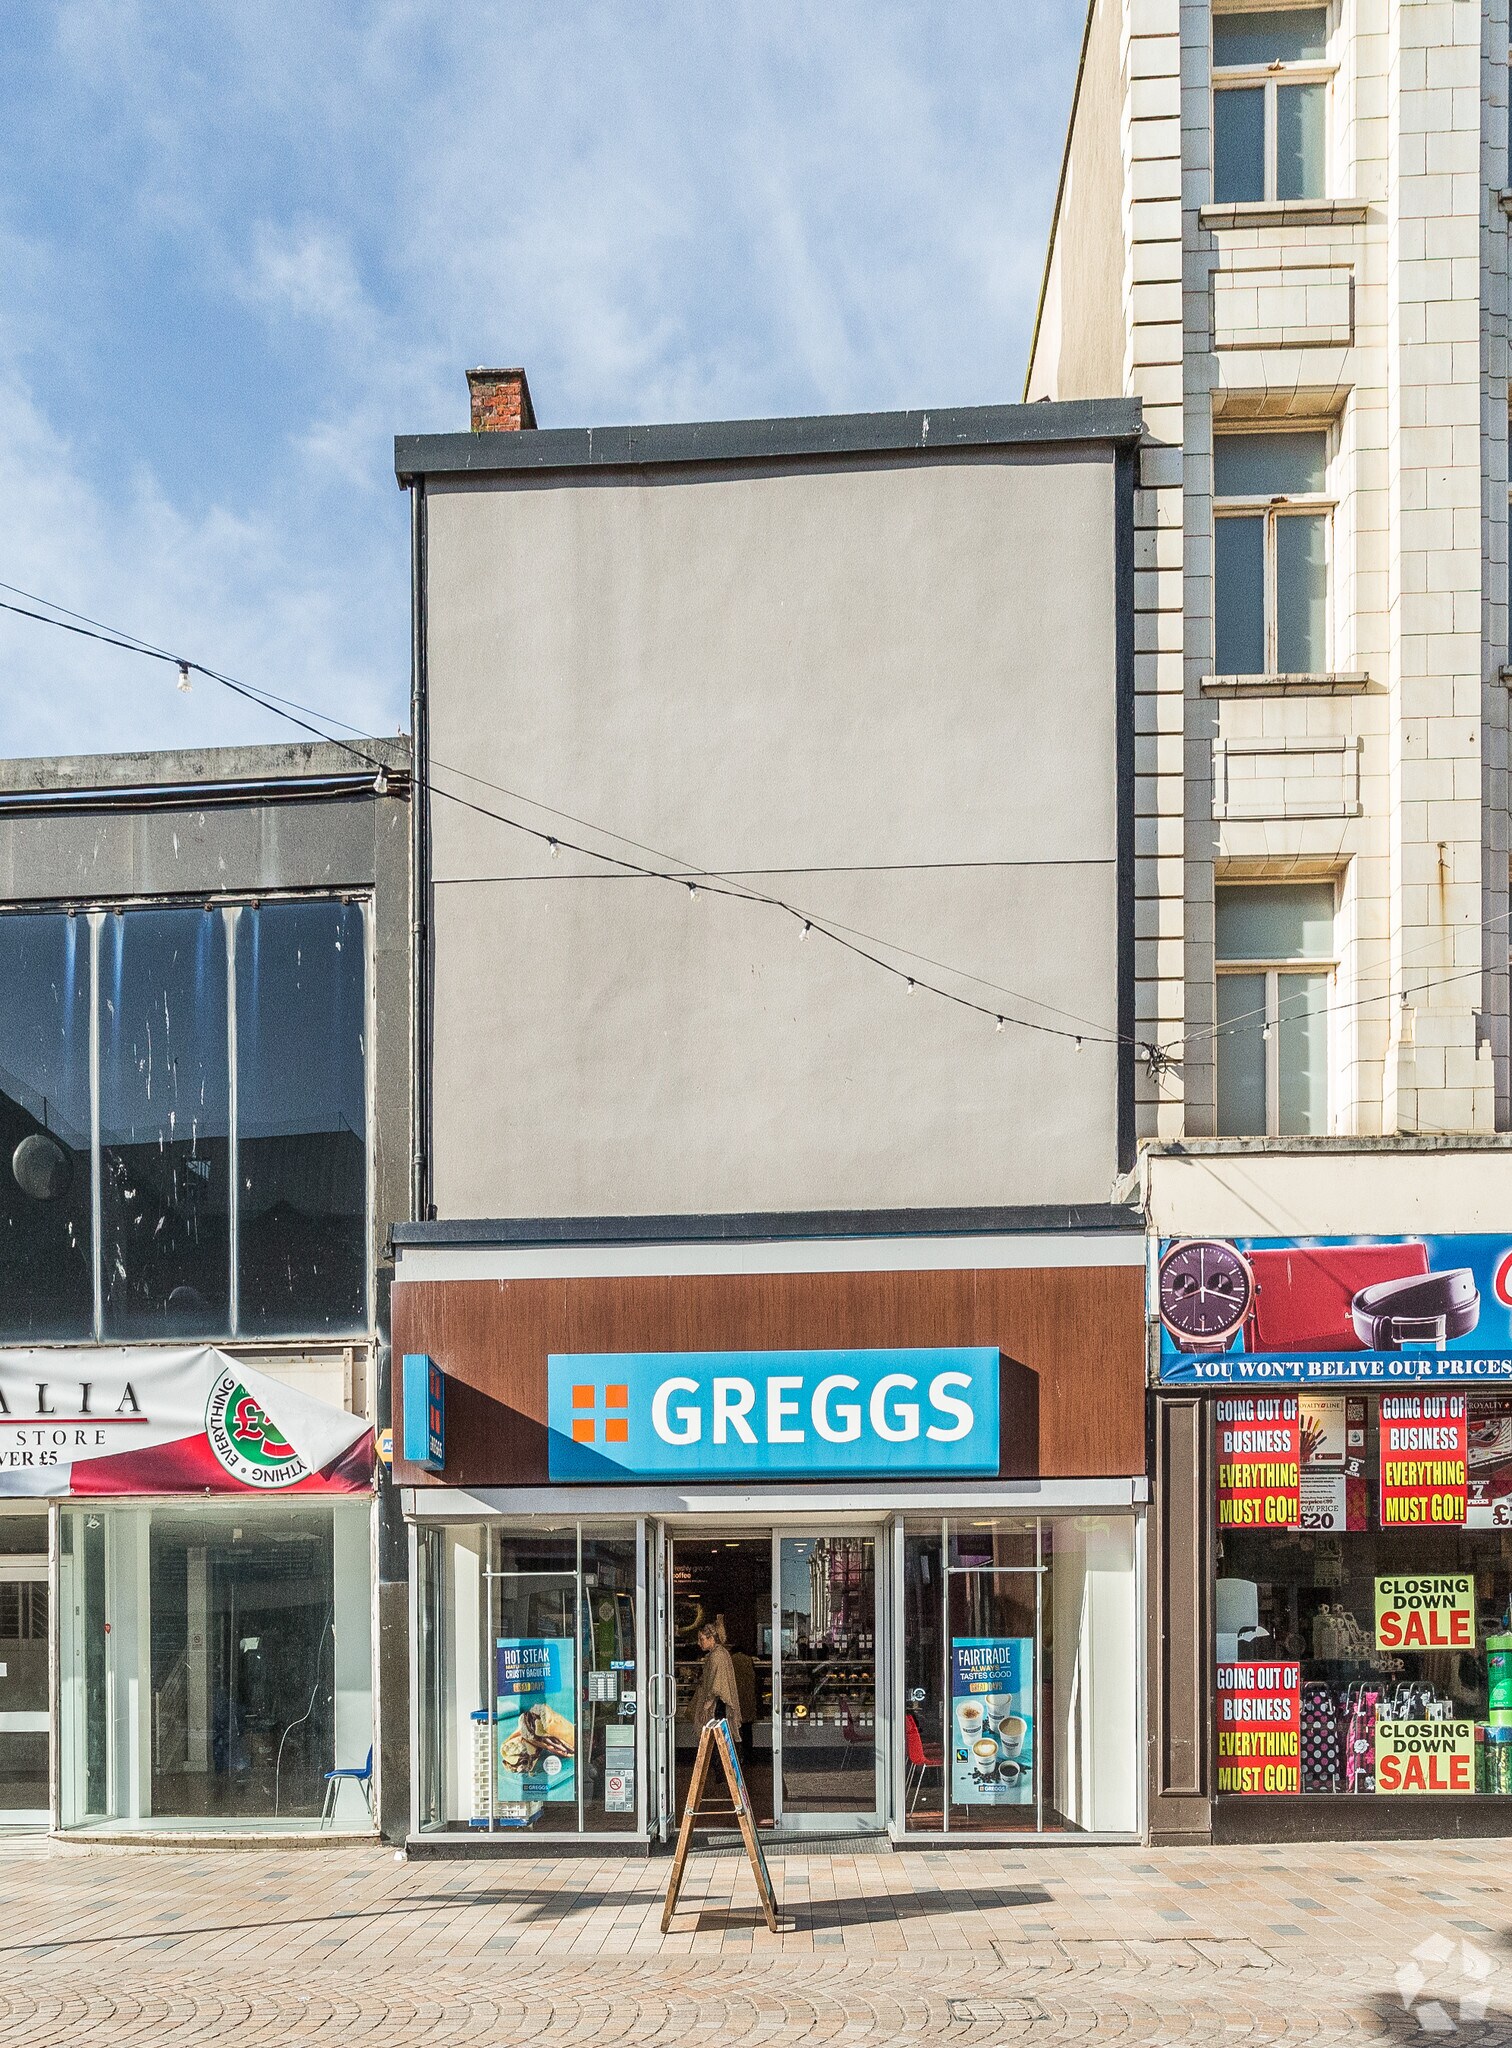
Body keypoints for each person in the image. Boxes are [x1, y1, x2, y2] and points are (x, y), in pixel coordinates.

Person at [689, 1616, 741, 1734]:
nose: (699, 1643)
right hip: (719, 1704)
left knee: (714, 1737)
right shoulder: (720, 1653)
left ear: (711, 1638)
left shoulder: (716, 1656)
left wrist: (705, 1707)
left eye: (701, 1639)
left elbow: (716, 1686)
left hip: (716, 1706)